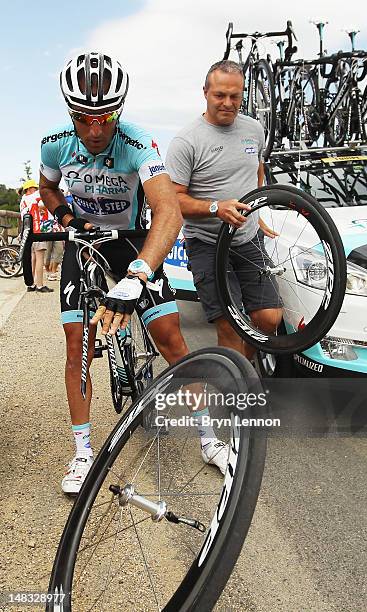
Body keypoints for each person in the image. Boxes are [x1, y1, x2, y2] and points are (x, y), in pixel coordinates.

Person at [39, 52, 226, 494]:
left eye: (105, 117)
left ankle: (208, 437)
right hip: (84, 244)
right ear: (71, 114)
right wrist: (66, 218)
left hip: (132, 240)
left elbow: (167, 211)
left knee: (171, 339)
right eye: (84, 119)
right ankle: (83, 452)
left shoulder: (139, 142)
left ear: (119, 112)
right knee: (76, 344)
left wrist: (140, 271)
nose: (96, 130)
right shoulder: (53, 145)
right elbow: (47, 187)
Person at [166, 60, 283, 357]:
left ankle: (240, 372)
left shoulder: (254, 129)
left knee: (268, 319)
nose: (228, 103)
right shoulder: (186, 140)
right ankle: (237, 396)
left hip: (247, 237)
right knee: (230, 327)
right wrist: (215, 207)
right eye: (220, 95)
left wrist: (258, 211)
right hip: (207, 242)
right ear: (205, 92)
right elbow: (173, 199)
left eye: (235, 96)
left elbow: (257, 170)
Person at [19, 179, 54, 293]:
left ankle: (31, 284)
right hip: (37, 229)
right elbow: (45, 201)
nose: (36, 189)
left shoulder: (23, 200)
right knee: (40, 258)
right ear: (29, 189)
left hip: (27, 231)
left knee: (33, 257)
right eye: (34, 187)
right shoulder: (34, 196)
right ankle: (39, 285)